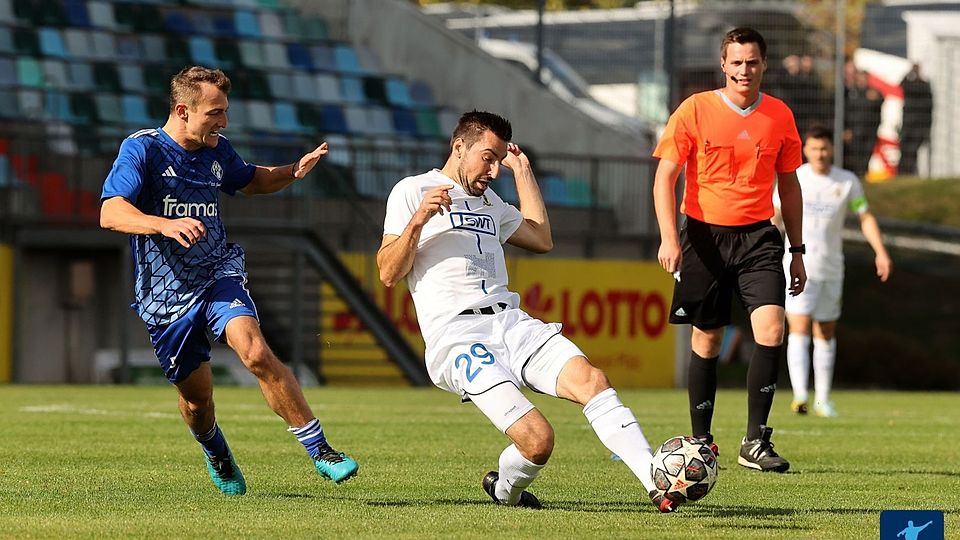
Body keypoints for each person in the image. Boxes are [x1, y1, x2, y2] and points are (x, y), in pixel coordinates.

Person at [377, 110, 677, 512]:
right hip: (458, 337)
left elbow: (541, 237)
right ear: (459, 146)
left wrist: (523, 172)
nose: (494, 169)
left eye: (500, 159)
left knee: (592, 380)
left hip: (511, 323)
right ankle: (506, 490)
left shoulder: (491, 201)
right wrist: (418, 221)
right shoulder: (413, 191)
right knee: (538, 441)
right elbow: (387, 272)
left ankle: (657, 484)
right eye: (488, 157)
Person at [99, 66, 359, 496]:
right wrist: (163, 225)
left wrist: (292, 170)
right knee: (197, 402)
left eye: (225, 112)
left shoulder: (217, 150)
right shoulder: (141, 150)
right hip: (165, 295)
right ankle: (215, 451)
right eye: (215, 113)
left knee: (255, 351)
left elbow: (252, 179)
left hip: (218, 271)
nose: (224, 122)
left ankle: (321, 451)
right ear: (183, 110)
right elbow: (111, 212)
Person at [652, 27, 806, 473]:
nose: (744, 70)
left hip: (759, 237)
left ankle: (755, 441)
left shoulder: (779, 116)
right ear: (723, 64)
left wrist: (797, 249)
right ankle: (701, 442)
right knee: (708, 337)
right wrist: (668, 236)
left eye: (752, 62)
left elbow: (789, 186)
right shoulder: (695, 109)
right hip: (703, 236)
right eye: (736, 62)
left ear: (764, 65)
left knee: (773, 330)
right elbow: (666, 178)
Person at [775, 126, 891, 418]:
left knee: (825, 331)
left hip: (832, 267)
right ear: (805, 150)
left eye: (824, 148)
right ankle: (800, 395)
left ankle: (823, 399)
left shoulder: (847, 181)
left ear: (833, 149)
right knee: (799, 327)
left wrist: (880, 251)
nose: (820, 154)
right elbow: (775, 215)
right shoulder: (795, 177)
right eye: (814, 148)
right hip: (799, 264)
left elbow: (864, 216)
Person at [898, 63, 933, 176]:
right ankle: (903, 173)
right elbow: (900, 84)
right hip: (908, 125)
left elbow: (929, 108)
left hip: (919, 126)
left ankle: (909, 173)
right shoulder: (909, 85)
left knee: (912, 151)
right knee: (905, 151)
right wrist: (910, 72)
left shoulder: (924, 85)